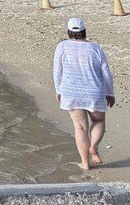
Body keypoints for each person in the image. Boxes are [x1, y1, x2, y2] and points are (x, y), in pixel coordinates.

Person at [54, 17, 116, 170]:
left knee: (80, 127)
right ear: (84, 32)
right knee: (98, 121)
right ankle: (93, 146)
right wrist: (110, 93)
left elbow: (57, 70)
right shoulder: (95, 48)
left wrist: (58, 89)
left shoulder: (62, 46)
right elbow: (106, 73)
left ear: (69, 32)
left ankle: (85, 163)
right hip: (94, 92)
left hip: (71, 92)